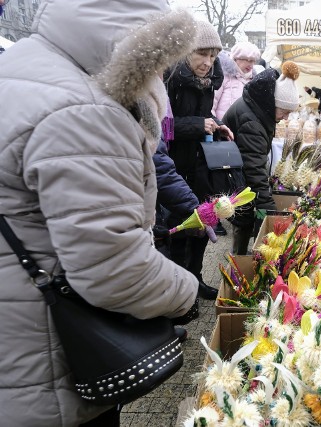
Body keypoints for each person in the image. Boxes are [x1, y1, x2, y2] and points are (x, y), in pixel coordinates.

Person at [0, 2, 200, 425]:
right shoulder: (84, 108)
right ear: (142, 45)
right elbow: (113, 269)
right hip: (44, 361)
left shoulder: (25, 65)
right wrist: (187, 293)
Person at [164, 21, 234, 294]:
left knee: (204, 225)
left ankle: (196, 279)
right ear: (185, 52)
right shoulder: (170, 79)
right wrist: (197, 125)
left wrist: (216, 124)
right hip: (174, 168)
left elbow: (203, 117)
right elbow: (164, 128)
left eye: (213, 56)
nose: (208, 62)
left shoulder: (207, 82)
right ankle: (179, 288)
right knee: (179, 229)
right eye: (201, 54)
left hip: (200, 166)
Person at [222, 61, 301, 255]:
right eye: (284, 112)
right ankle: (239, 258)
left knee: (246, 212)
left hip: (234, 169)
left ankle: (240, 255)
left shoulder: (258, 109)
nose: (285, 118)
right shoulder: (253, 122)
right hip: (231, 172)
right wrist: (269, 210)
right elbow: (254, 169)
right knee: (245, 214)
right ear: (273, 104)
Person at [212, 41, 262, 119]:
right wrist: (216, 127)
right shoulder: (223, 77)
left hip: (244, 129)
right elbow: (212, 105)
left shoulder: (253, 81)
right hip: (222, 128)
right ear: (237, 58)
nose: (251, 65)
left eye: (254, 61)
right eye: (249, 60)